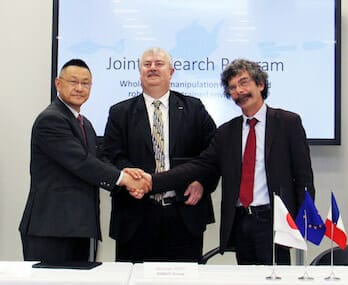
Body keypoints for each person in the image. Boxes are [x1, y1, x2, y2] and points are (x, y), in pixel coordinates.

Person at [149, 59, 315, 265]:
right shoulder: (227, 132)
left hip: (274, 221)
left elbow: (303, 176)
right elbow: (200, 165)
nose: (239, 91)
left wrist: (305, 219)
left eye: (244, 83)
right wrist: (152, 181)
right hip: (240, 221)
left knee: (276, 278)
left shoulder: (288, 123)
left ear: (260, 84)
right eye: (233, 87)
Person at [19, 59, 150, 263]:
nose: (80, 88)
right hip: (52, 228)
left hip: (80, 227)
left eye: (86, 83)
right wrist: (125, 179)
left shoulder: (85, 123)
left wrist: (127, 172)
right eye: (73, 82)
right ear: (58, 83)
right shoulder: (51, 119)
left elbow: (99, 160)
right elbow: (81, 163)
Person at [103, 47, 219, 262]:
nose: (152, 68)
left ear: (171, 72)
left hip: (183, 214)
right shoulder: (119, 112)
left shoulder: (194, 108)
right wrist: (131, 180)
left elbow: (214, 153)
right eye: (147, 64)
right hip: (135, 215)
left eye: (159, 63)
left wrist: (202, 182)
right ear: (139, 72)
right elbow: (111, 155)